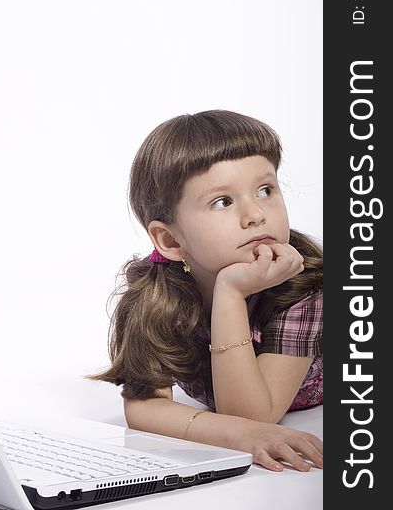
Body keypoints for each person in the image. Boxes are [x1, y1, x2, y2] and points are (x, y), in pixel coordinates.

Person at [90, 109, 323, 472]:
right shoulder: (154, 298)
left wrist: (228, 293)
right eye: (223, 202)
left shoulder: (301, 287)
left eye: (265, 190)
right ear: (169, 240)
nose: (255, 215)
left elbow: (252, 415)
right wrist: (230, 293)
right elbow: (144, 407)